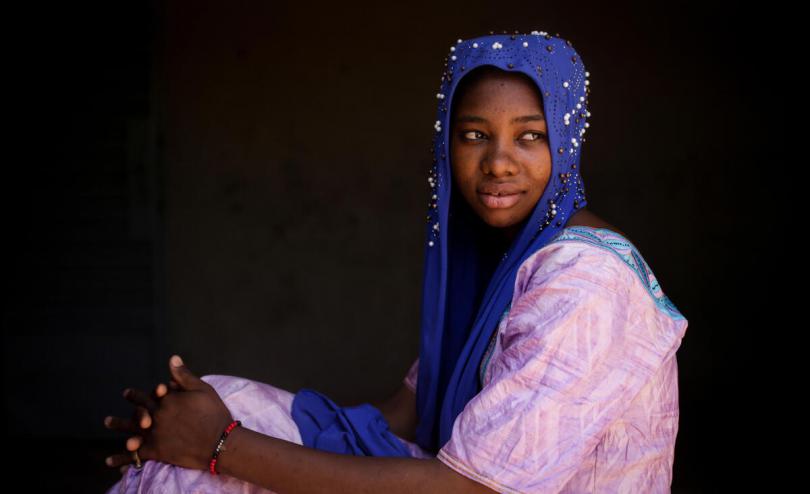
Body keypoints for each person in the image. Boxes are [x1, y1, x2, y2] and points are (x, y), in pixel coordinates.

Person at [103, 30, 688, 493]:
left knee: (214, 464)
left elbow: (470, 487)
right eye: (475, 134)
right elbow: (400, 417)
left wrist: (220, 444)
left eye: (530, 136)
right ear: (447, 145)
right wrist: (198, 423)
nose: (499, 163)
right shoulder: (507, 255)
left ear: (566, 143)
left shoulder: (585, 284)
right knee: (224, 404)